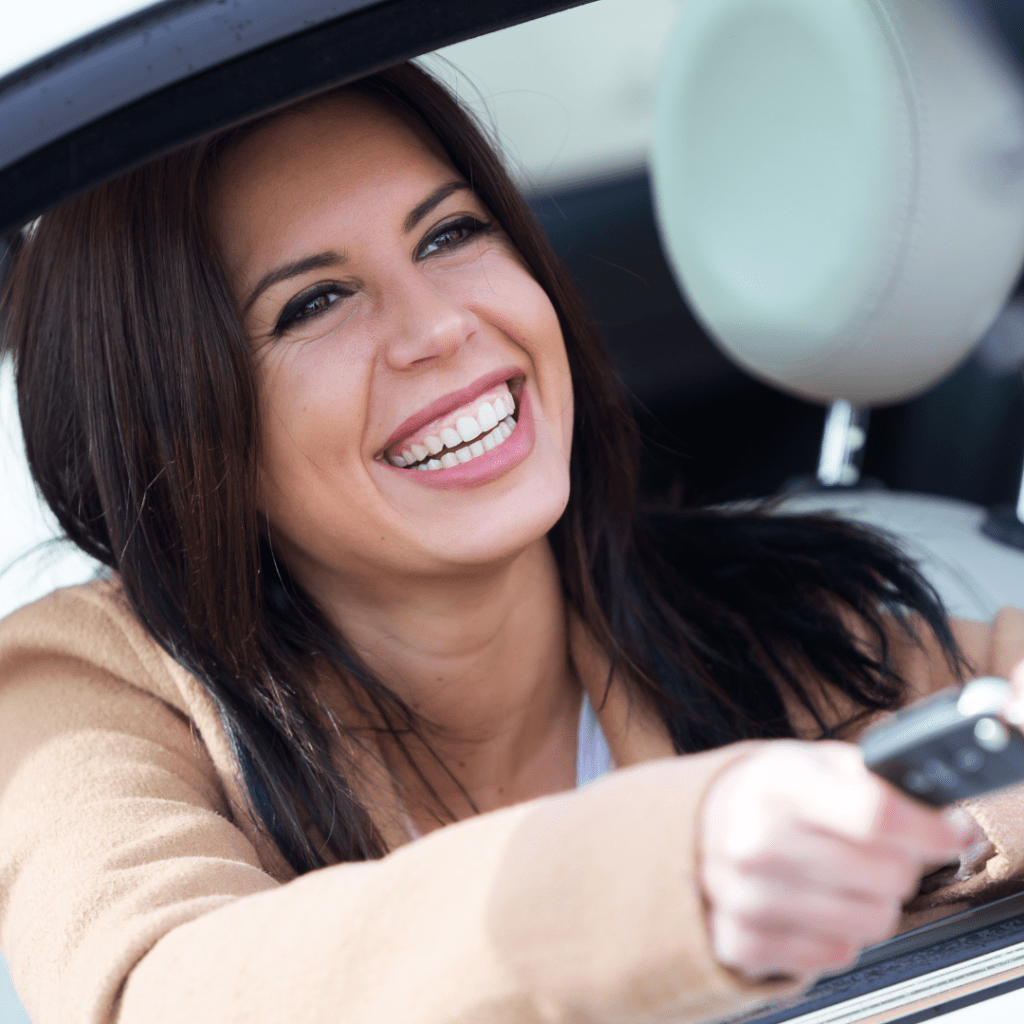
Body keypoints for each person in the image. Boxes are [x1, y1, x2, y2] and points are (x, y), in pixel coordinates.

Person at [1, 61, 1023, 1024]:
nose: (440, 326)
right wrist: (666, 872)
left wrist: (911, 837)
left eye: (449, 234)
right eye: (314, 300)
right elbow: (158, 987)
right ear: (176, 429)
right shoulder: (83, 687)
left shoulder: (769, 619)